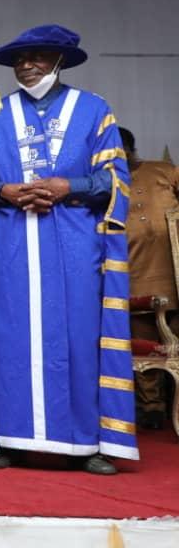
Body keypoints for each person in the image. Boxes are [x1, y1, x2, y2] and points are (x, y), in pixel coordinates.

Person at [0, 24, 138, 474]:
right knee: (7, 336)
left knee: (79, 335)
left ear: (59, 60)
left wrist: (66, 186)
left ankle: (90, 442)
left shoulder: (93, 111)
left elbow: (115, 180)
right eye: (19, 58)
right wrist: (6, 191)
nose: (26, 64)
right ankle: (2, 438)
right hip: (9, 243)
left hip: (73, 244)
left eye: (37, 56)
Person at [120, 126, 179, 429]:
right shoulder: (105, 182)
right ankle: (151, 408)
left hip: (174, 272)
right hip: (136, 275)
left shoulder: (163, 170)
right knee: (145, 341)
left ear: (131, 149)